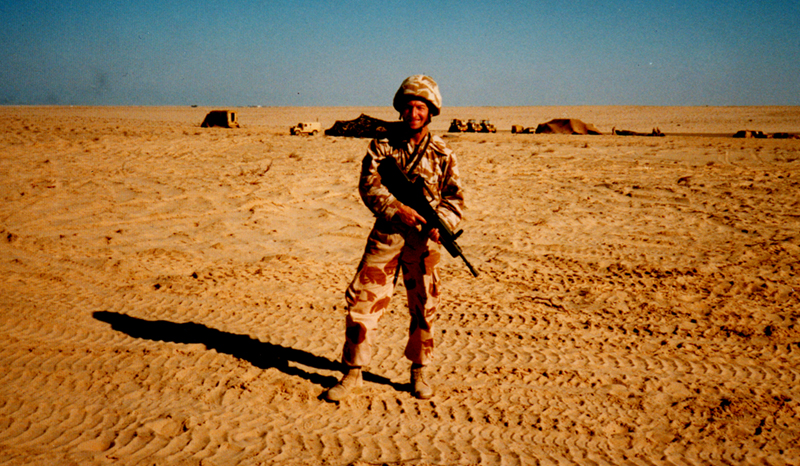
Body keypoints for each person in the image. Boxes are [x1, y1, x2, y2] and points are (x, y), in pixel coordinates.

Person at [325, 75, 465, 401]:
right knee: (363, 301)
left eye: (421, 107)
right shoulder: (382, 146)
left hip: (423, 242)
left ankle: (419, 371)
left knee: (424, 306)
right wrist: (394, 209)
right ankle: (353, 372)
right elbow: (369, 185)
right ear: (401, 110)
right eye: (408, 107)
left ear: (431, 112)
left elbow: (455, 199)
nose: (414, 113)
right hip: (387, 234)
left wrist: (440, 223)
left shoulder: (444, 154)